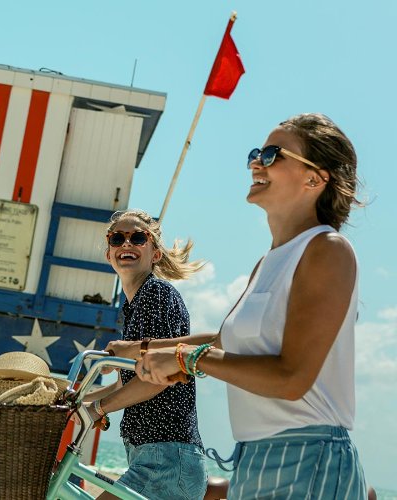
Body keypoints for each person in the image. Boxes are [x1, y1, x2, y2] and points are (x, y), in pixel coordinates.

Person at [125, 113, 369, 498]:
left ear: (314, 178)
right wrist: (145, 348)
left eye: (273, 154)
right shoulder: (270, 261)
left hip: (309, 460)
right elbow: (227, 341)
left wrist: (186, 358)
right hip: (254, 460)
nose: (256, 162)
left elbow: (291, 380)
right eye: (256, 153)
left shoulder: (327, 251)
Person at [84, 208, 208, 500]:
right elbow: (132, 380)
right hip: (157, 455)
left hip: (164, 458)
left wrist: (99, 409)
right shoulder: (136, 305)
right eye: (117, 238)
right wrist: (78, 398)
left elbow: (158, 379)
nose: (126, 244)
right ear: (109, 254)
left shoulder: (156, 295)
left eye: (138, 237)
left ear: (155, 254)